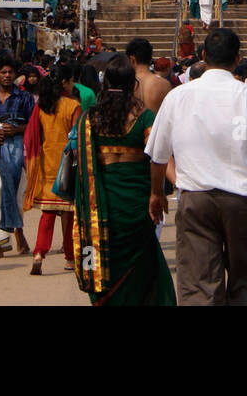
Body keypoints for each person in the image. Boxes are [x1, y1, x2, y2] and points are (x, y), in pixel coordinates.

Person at [145, 28, 247, 305]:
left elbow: (158, 155)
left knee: (200, 287)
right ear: (237, 58)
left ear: (203, 57)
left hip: (196, 201)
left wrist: (157, 193)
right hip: (243, 202)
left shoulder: (178, 97)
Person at [72, 54, 176, 305]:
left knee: (107, 264)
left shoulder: (89, 119)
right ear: (133, 85)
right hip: (137, 207)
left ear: (105, 84)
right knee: (143, 268)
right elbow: (158, 159)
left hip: (100, 207)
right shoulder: (145, 118)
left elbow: (80, 157)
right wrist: (160, 192)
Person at [23, 71, 82, 274]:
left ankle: (39, 252)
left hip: (47, 164)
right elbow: (76, 137)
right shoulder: (73, 106)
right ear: (63, 83)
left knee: (47, 214)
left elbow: (34, 136)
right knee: (70, 213)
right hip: (68, 165)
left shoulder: (41, 108)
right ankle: (69, 257)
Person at [0, 59, 33, 259]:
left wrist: (16, 129)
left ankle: (18, 232)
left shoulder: (24, 97)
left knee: (16, 198)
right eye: (3, 72)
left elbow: (33, 124)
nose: (7, 75)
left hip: (17, 155)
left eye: (10, 72)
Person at [126, 38, 170, 113]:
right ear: (150, 59)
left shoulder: (124, 83)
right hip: (155, 124)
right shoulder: (165, 85)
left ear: (132, 60)